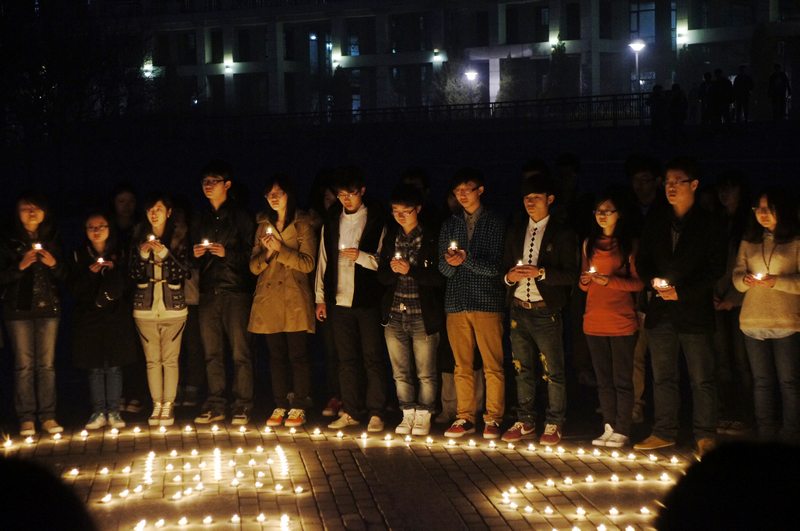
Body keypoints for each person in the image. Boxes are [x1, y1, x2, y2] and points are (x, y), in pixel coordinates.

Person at [634, 157, 726, 457]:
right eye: (668, 182)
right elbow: (643, 259)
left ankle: (705, 435)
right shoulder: (657, 219)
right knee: (663, 376)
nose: (671, 187)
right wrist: (653, 281)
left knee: (702, 378)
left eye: (678, 182)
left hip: (694, 311)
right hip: (661, 310)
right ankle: (663, 431)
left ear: (694, 184)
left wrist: (681, 292)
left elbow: (715, 267)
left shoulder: (709, 222)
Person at [500, 175, 577, 445]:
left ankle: (554, 421)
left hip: (546, 311)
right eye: (526, 198)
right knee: (522, 368)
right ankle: (526, 420)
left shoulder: (562, 232)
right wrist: (510, 277)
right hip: (518, 309)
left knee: (553, 370)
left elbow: (571, 274)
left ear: (550, 199)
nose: (530, 202)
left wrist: (541, 272)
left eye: (536, 197)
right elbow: (504, 269)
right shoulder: (515, 230)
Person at [316, 167, 388, 432]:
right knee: (345, 359)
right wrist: (320, 298)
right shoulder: (332, 219)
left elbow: (383, 261)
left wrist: (361, 257)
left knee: (372, 357)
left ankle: (376, 412)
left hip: (367, 300)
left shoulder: (376, 218)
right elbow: (323, 259)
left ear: (362, 192)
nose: (346, 199)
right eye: (341, 194)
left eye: (351, 194)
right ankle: (351, 411)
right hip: (338, 301)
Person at [439, 168, 507, 439]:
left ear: (480, 190)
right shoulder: (450, 223)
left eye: (467, 190)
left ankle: (494, 418)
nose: (462, 195)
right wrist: (452, 263)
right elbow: (444, 270)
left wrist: (465, 259)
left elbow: (495, 268)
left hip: (487, 301)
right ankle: (465, 416)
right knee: (462, 365)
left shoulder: (495, 222)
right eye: (457, 191)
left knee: (493, 364)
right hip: (456, 302)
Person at [732, 188, 800, 444]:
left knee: (789, 381)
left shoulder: (795, 241)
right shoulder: (749, 240)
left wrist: (776, 282)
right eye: (758, 209)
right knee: (761, 381)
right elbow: (737, 276)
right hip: (753, 320)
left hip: (786, 321)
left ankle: (791, 434)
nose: (762, 213)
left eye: (767, 208)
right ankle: (766, 434)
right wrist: (745, 281)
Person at [192, 161, 256, 425]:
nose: (208, 186)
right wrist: (195, 255)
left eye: (213, 181)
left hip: (236, 291)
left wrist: (227, 253)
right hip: (209, 291)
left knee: (240, 352)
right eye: (205, 181)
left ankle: (243, 404)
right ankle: (216, 403)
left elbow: (252, 254)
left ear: (227, 185)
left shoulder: (240, 215)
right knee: (212, 353)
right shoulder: (200, 218)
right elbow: (191, 258)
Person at [250, 175, 318, 428]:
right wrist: (268, 253)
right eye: (270, 194)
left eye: (278, 193)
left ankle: (299, 405)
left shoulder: (303, 225)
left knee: (298, 355)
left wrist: (281, 249)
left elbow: (308, 264)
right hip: (269, 298)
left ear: (289, 194)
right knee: (276, 356)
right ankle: (279, 403)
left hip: (294, 296)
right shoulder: (262, 225)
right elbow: (253, 266)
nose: (274, 198)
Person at [378, 185, 445, 436]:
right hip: (395, 313)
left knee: (426, 372)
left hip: (422, 314)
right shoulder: (391, 237)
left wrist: (411, 270)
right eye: (396, 211)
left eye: (405, 211)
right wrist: (392, 271)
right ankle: (407, 413)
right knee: (400, 372)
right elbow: (381, 276)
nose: (400, 216)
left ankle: (424, 414)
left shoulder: (430, 238)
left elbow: (440, 277)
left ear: (418, 209)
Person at [580, 190, 644, 447]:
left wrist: (610, 281)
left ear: (619, 214)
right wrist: (586, 280)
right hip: (593, 319)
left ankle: (623, 428)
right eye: (599, 211)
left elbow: (639, 283)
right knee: (603, 379)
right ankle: (608, 425)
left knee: (622, 379)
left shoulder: (629, 244)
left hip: (621, 320)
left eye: (608, 210)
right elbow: (584, 285)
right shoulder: (589, 243)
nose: (603, 215)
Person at [0, 192, 67, 437]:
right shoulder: (8, 240)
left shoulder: (52, 238)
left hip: (48, 308)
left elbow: (65, 274)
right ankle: (26, 418)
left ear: (44, 212)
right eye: (25, 208)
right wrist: (20, 266)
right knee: (24, 365)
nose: (31, 213)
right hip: (18, 309)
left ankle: (48, 416)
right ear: (17, 213)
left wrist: (53, 264)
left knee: (46, 365)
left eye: (35, 208)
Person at [70, 210, 137, 430]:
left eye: (101, 226)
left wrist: (114, 270)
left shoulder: (120, 252)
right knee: (95, 366)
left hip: (116, 315)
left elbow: (129, 283)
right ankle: (98, 411)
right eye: (91, 227)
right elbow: (73, 288)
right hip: (89, 316)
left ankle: (114, 411)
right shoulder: (79, 254)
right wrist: (90, 273)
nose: (96, 231)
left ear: (109, 228)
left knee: (114, 366)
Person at [130, 192, 190, 426]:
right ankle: (157, 404)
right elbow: (132, 272)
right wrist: (143, 255)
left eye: (158, 209)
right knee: (152, 360)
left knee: (170, 360)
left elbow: (185, 271)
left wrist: (165, 254)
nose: (154, 213)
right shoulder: (138, 235)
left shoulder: (180, 235)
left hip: (173, 307)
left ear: (169, 212)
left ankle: (168, 405)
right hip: (144, 308)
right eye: (150, 210)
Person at [626, 153, 666, 424]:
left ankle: (664, 414)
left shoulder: (665, 211)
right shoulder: (629, 212)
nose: (640, 186)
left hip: (660, 290)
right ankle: (635, 405)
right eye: (636, 180)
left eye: (646, 180)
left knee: (662, 357)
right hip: (635, 291)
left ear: (657, 181)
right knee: (636, 354)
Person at [713, 171, 752, 436]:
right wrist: (713, 295)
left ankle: (744, 414)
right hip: (717, 300)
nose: (725, 193)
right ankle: (726, 411)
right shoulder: (717, 222)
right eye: (722, 188)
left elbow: (748, 265)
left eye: (731, 188)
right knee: (722, 360)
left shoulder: (748, 224)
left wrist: (732, 299)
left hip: (741, 302)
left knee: (741, 360)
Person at [307, 168, 343, 418]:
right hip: (327, 296)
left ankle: (351, 398)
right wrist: (319, 298)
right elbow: (320, 264)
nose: (333, 204)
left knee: (350, 350)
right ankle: (334, 394)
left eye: (336, 198)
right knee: (330, 350)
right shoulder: (320, 226)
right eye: (328, 199)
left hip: (350, 297)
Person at [110, 183, 146, 414]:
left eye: (130, 201)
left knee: (137, 345)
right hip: (114, 293)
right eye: (121, 201)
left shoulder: (140, 228)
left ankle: (137, 394)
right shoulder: (108, 227)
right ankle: (118, 394)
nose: (126, 206)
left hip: (136, 290)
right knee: (117, 344)